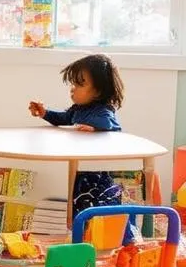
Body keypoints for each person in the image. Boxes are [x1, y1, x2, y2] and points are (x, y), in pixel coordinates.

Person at [29, 53, 126, 216]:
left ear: (98, 91)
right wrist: (45, 113)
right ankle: (80, 232)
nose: (73, 88)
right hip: (81, 170)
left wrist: (95, 128)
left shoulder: (103, 110)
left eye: (79, 84)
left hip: (98, 173)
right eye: (72, 83)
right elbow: (62, 118)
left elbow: (111, 125)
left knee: (99, 208)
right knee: (79, 204)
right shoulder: (77, 110)